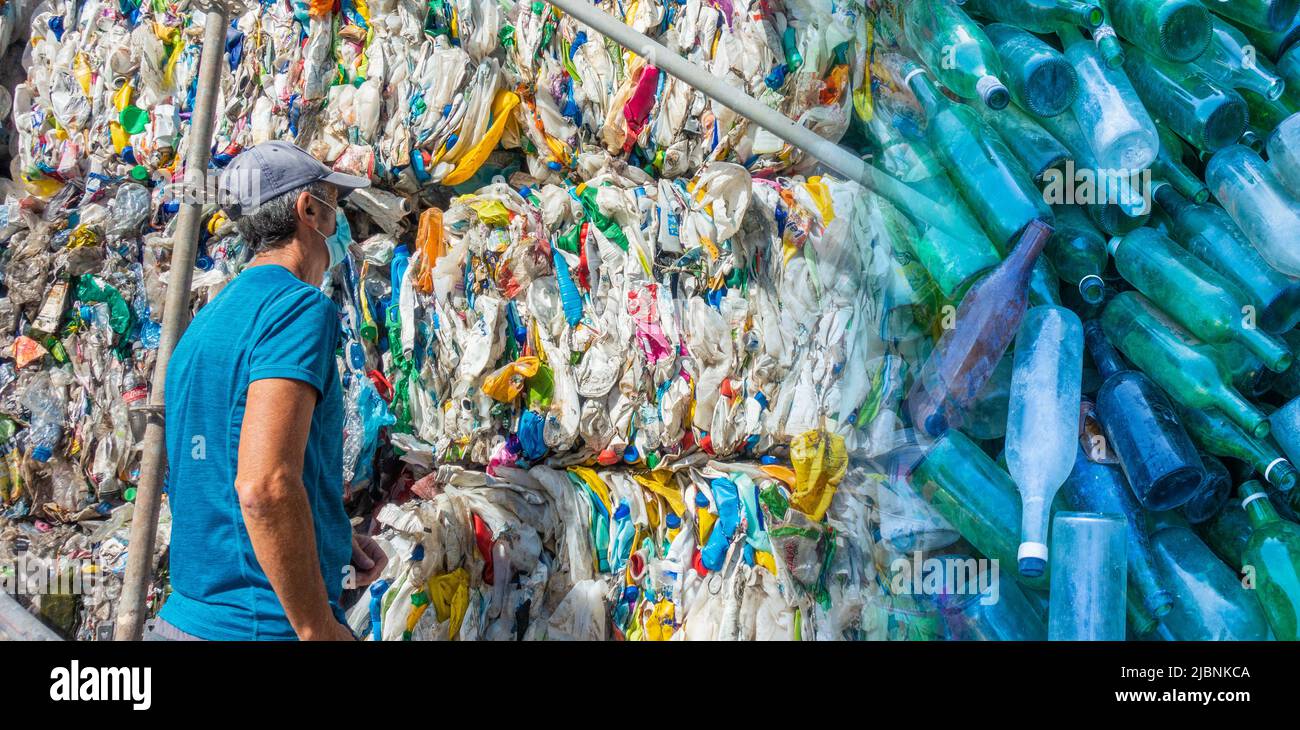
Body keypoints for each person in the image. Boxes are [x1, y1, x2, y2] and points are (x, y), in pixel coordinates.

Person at [149, 141, 387, 640]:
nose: (338, 227)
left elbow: (219, 465)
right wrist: (316, 626)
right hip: (257, 625)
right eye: (334, 208)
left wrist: (331, 538)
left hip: (187, 618)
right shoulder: (297, 308)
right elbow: (264, 487)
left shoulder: (204, 324)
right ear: (307, 210)